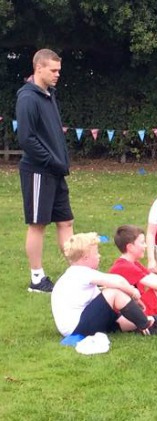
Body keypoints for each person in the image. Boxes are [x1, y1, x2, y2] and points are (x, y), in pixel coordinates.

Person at [16, 49, 73, 293]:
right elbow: (27, 139)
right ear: (38, 68)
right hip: (38, 171)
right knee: (38, 223)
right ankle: (37, 279)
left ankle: (76, 272)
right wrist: (52, 161)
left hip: (56, 170)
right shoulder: (28, 98)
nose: (57, 74)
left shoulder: (49, 95)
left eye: (59, 70)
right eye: (53, 70)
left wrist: (61, 162)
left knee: (66, 221)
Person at [51, 233, 157, 337]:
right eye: (96, 253)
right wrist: (134, 293)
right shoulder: (79, 272)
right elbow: (117, 281)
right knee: (113, 292)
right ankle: (147, 327)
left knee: (141, 318)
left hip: (85, 322)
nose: (99, 256)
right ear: (86, 258)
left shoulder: (77, 274)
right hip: (76, 328)